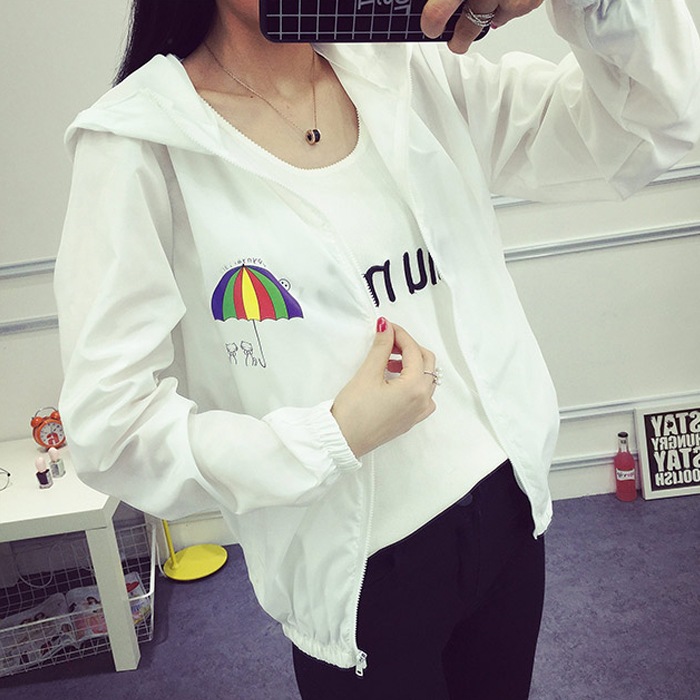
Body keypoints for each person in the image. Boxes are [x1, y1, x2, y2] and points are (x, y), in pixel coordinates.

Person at [54, 0, 700, 698]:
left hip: (507, 510)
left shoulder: (407, 70)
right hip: (359, 575)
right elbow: (111, 426)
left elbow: (647, 125)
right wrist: (327, 437)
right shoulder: (139, 144)